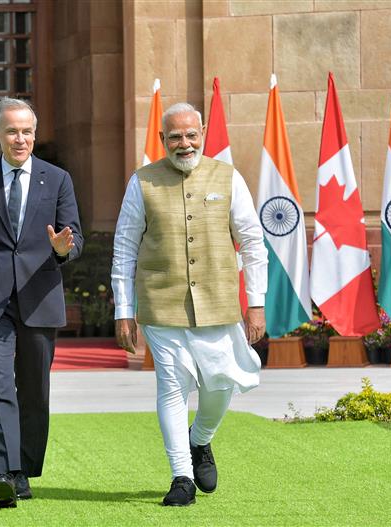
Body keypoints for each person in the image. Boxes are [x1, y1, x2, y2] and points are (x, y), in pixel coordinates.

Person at [111, 102, 268, 507]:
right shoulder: (142, 182)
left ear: (203, 133)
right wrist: (123, 310)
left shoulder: (228, 177)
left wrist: (256, 303)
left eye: (191, 135)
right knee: (172, 386)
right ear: (162, 139)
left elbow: (252, 242)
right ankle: (181, 477)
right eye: (176, 136)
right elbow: (124, 248)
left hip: (219, 302)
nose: (184, 143)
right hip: (161, 304)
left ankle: (200, 439)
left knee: (220, 385)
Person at [0, 97, 83, 508]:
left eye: (26, 131)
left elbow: (74, 237)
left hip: (39, 300)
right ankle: (3, 473)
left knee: (34, 391)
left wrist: (63, 249)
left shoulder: (57, 179)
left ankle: (23, 469)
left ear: (34, 135)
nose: (19, 138)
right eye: (11, 131)